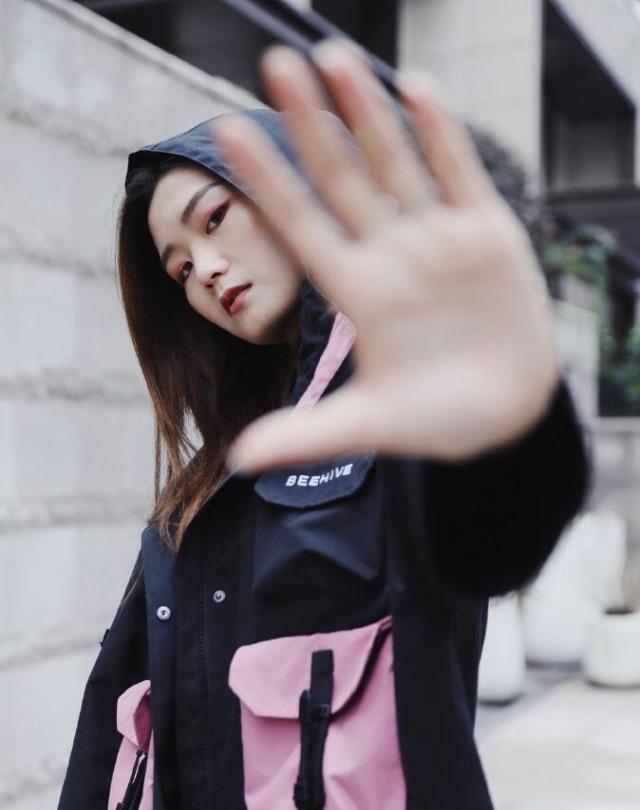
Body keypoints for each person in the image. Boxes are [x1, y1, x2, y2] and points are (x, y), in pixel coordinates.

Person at [58, 41, 590, 810]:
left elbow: (493, 530)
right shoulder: (206, 492)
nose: (205, 270)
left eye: (215, 219)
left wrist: (511, 424)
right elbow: (108, 740)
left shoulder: (402, 418)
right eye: (180, 270)